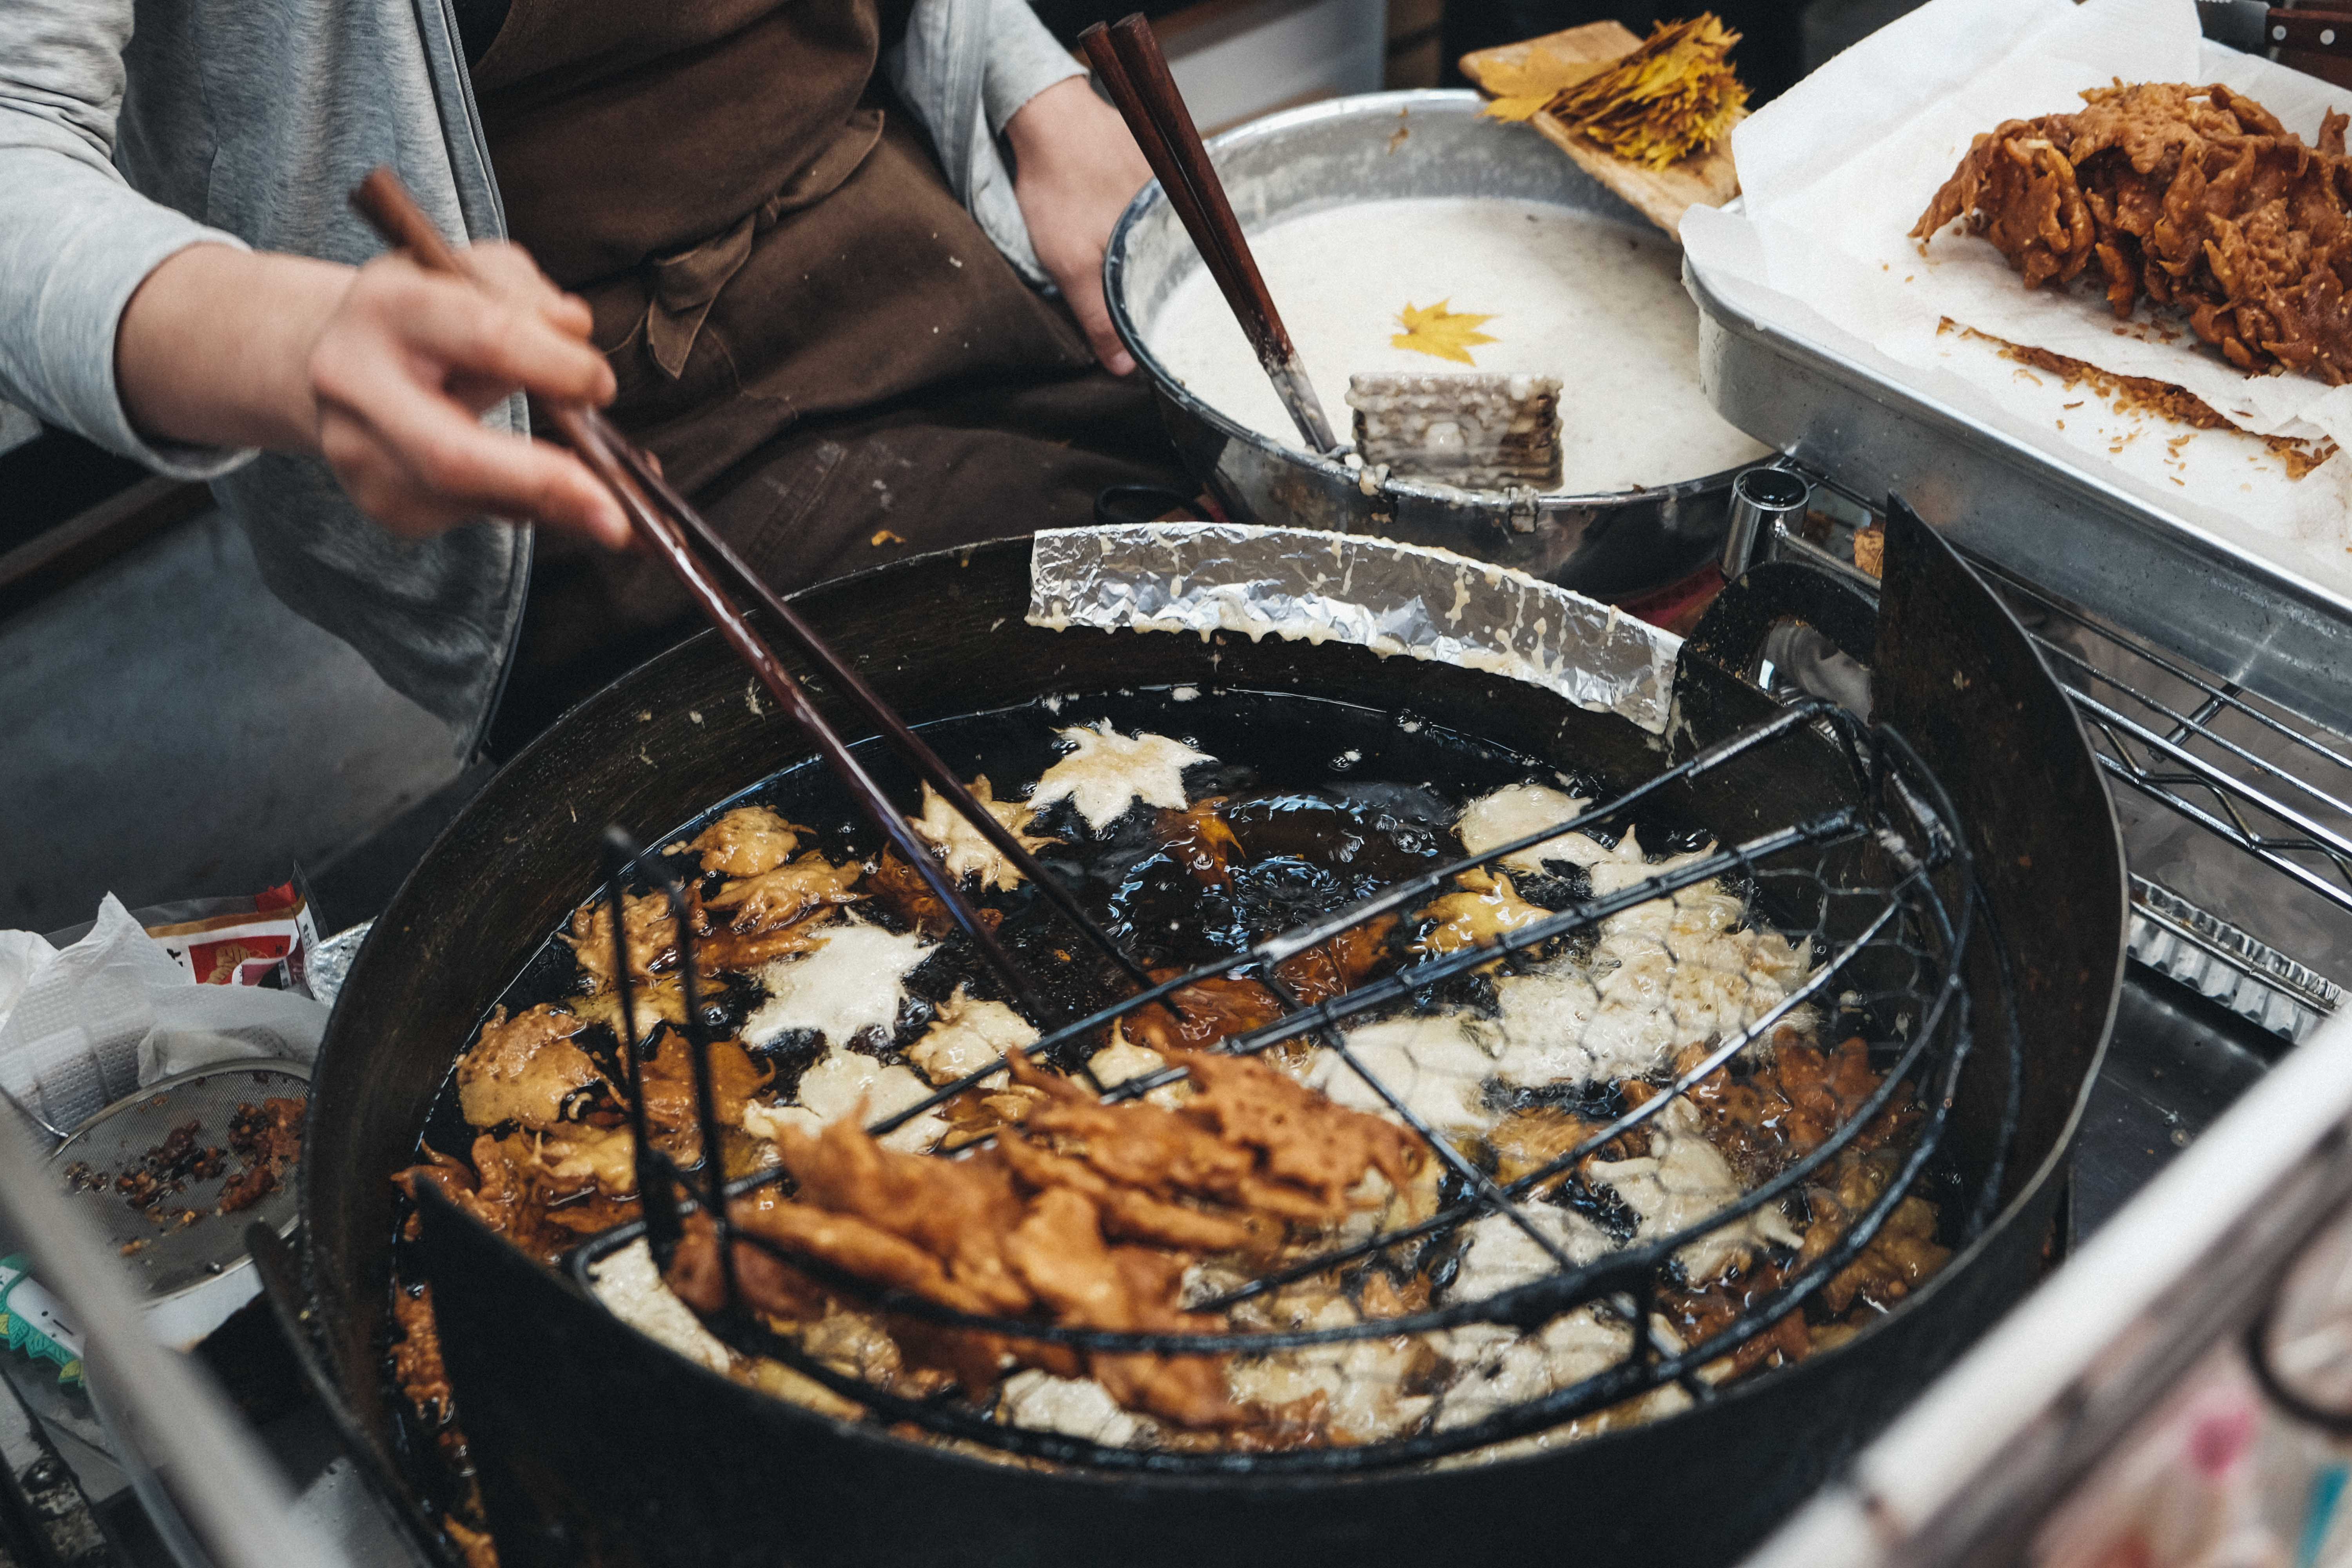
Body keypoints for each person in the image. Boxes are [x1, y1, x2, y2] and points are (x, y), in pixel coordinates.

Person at [0, 0, 1181, 753]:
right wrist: (299, 340)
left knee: (1248, 545)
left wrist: (1033, 83)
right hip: (590, 421)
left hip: (903, 232)